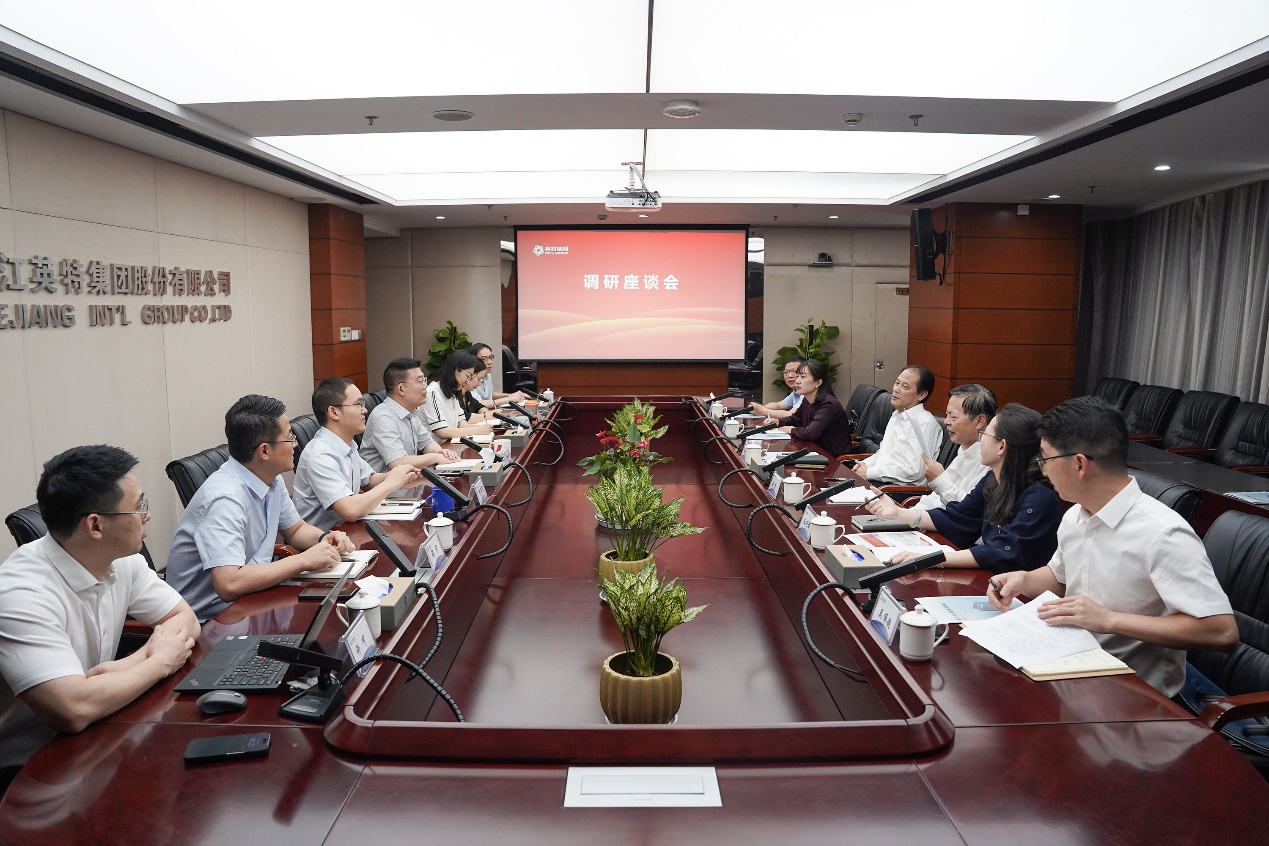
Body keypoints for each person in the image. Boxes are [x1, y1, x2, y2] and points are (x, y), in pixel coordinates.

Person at [988, 396, 1237, 697]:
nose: (1043, 471)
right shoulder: (1075, 516)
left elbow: (1221, 632)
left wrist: (1109, 620)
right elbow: (1060, 577)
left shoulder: (1163, 533)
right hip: (1067, 671)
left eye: (1046, 460)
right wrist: (1024, 579)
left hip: (1134, 696)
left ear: (1079, 464)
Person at [0, 445, 199, 786]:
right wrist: (159, 661)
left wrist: (126, 664)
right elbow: (72, 709)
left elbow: (184, 618)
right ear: (95, 525)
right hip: (30, 769)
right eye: (138, 507)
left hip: (100, 732)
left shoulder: (121, 559)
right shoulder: (22, 594)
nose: (147, 516)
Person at [166, 395, 356, 622]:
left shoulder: (271, 480)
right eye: (289, 438)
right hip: (210, 621)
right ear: (264, 451)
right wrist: (304, 560)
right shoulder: (225, 498)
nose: (295, 444)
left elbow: (295, 530)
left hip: (253, 601)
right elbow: (229, 584)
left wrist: (325, 538)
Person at [865, 403, 1063, 572]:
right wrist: (898, 512)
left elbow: (1003, 551)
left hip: (1019, 594)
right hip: (991, 578)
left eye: (984, 434)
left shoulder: (1039, 497)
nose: (980, 440)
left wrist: (933, 559)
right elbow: (958, 517)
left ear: (1002, 446)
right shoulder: (993, 479)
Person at [292, 377, 423, 531]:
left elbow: (369, 480)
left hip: (348, 531)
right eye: (358, 404)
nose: (364, 410)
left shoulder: (346, 443)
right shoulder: (320, 455)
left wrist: (402, 475)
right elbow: (350, 510)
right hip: (322, 540)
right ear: (334, 412)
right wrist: (390, 483)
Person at [359, 357, 461, 473]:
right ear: (401, 389)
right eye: (420, 381)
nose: (425, 386)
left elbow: (426, 442)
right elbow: (397, 462)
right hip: (384, 483)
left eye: (424, 380)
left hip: (408, 480)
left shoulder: (411, 411)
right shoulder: (383, 418)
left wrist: (440, 452)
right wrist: (435, 457)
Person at [913, 384, 996, 510]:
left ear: (979, 421)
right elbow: (935, 499)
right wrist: (907, 515)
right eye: (947, 415)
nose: (946, 421)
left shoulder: (991, 460)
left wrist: (939, 479)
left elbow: (968, 510)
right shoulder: (964, 447)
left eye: (953, 417)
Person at [857, 365, 944, 484]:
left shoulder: (924, 424)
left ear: (922, 395)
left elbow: (913, 471)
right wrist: (864, 465)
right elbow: (884, 454)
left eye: (905, 386)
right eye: (897, 383)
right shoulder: (897, 415)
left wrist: (869, 472)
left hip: (899, 489)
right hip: (880, 481)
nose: (896, 389)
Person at [775, 358, 852, 457]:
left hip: (831, 458)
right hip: (812, 452)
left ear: (818, 382)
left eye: (803, 377)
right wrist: (778, 422)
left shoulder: (828, 404)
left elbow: (810, 433)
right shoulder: (807, 400)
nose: (797, 381)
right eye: (797, 377)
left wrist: (792, 430)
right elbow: (795, 419)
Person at [423, 351, 498, 441]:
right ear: (456, 369)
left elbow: (462, 423)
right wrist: (476, 430)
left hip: (451, 444)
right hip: (438, 447)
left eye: (470, 378)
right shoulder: (432, 393)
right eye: (468, 375)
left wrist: (481, 428)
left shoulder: (453, 392)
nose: (468, 381)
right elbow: (442, 432)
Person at [468, 343, 527, 411]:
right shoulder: (470, 379)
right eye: (484, 358)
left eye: (490, 357)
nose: (489, 362)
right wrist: (509, 399)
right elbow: (477, 403)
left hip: (488, 410)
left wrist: (510, 395)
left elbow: (490, 394)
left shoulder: (487, 373)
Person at [752, 355, 806, 421]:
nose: (790, 376)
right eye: (786, 372)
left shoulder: (806, 393)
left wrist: (763, 411)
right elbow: (778, 405)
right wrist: (759, 408)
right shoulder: (796, 392)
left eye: (794, 371)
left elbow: (791, 414)